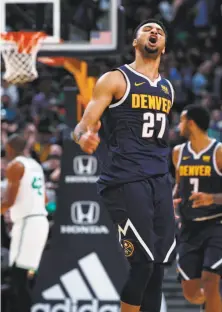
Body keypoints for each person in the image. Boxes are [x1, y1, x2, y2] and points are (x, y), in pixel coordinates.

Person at [71, 19, 176, 312]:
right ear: (135, 42)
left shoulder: (168, 89)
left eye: (159, 31)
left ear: (164, 45)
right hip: (126, 179)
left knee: (157, 268)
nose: (154, 32)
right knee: (142, 264)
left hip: (159, 180)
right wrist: (83, 139)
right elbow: (81, 127)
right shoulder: (115, 79)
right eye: (147, 29)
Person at [172, 105, 222, 312]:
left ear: (191, 123)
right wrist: (173, 200)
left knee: (210, 282)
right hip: (188, 228)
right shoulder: (177, 153)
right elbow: (178, 186)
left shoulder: (218, 152)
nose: (178, 125)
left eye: (182, 120)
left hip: (216, 226)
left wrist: (212, 198)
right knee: (191, 293)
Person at [1, 134, 49, 312]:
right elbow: (44, 199)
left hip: (28, 223)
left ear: (10, 148)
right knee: (21, 280)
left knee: (17, 281)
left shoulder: (15, 166)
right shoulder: (35, 165)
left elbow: (9, 201)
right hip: (39, 222)